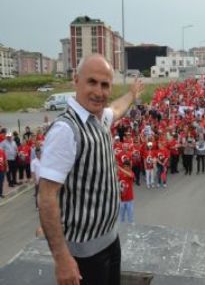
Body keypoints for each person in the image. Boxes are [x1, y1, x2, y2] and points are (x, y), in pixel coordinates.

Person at [38, 54, 143, 285]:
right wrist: (62, 259)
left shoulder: (99, 118)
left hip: (109, 241)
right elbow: (46, 196)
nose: (99, 91)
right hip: (85, 255)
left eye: (105, 85)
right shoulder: (66, 130)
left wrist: (132, 95)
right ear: (76, 81)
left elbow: (116, 108)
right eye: (92, 82)